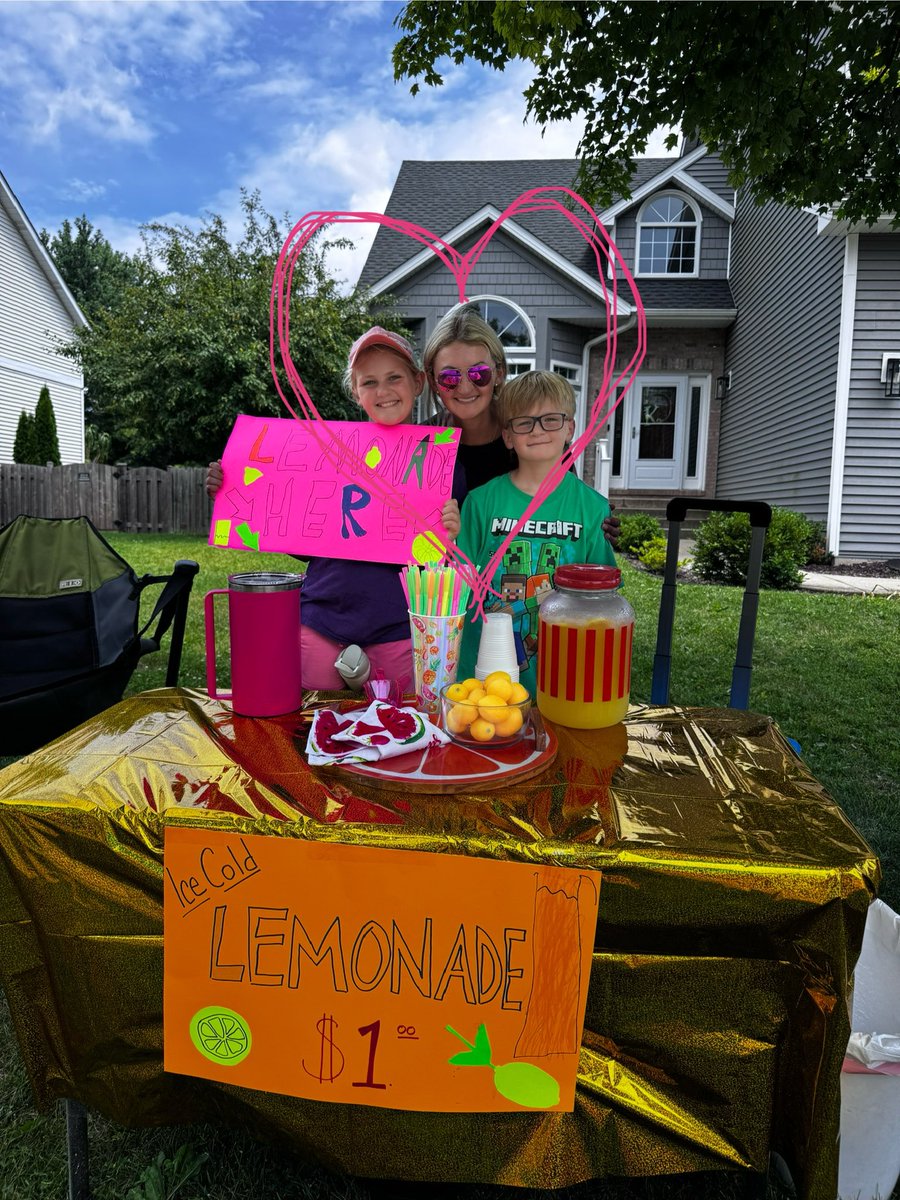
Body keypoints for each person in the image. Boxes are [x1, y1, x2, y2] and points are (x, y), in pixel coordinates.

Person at [207, 327, 461, 691]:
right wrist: (228, 488)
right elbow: (297, 536)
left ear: (418, 382)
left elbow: (442, 567)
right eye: (368, 382)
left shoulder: (442, 463)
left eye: (394, 378)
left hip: (400, 625)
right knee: (313, 722)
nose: (383, 391)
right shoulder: (325, 452)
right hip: (322, 618)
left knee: (401, 726)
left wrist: (451, 535)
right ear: (356, 393)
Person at [455, 370, 617, 698]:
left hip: (562, 678)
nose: (538, 430)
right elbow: (458, 588)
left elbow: (602, 602)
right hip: (485, 677)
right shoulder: (480, 502)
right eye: (524, 422)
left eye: (551, 420)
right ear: (508, 436)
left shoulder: (593, 509)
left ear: (570, 428)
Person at [422, 303, 620, 545]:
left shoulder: (532, 433)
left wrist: (595, 523)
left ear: (499, 373)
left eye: (478, 374)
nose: (464, 387)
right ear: (433, 381)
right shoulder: (422, 445)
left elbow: (567, 503)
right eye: (449, 377)